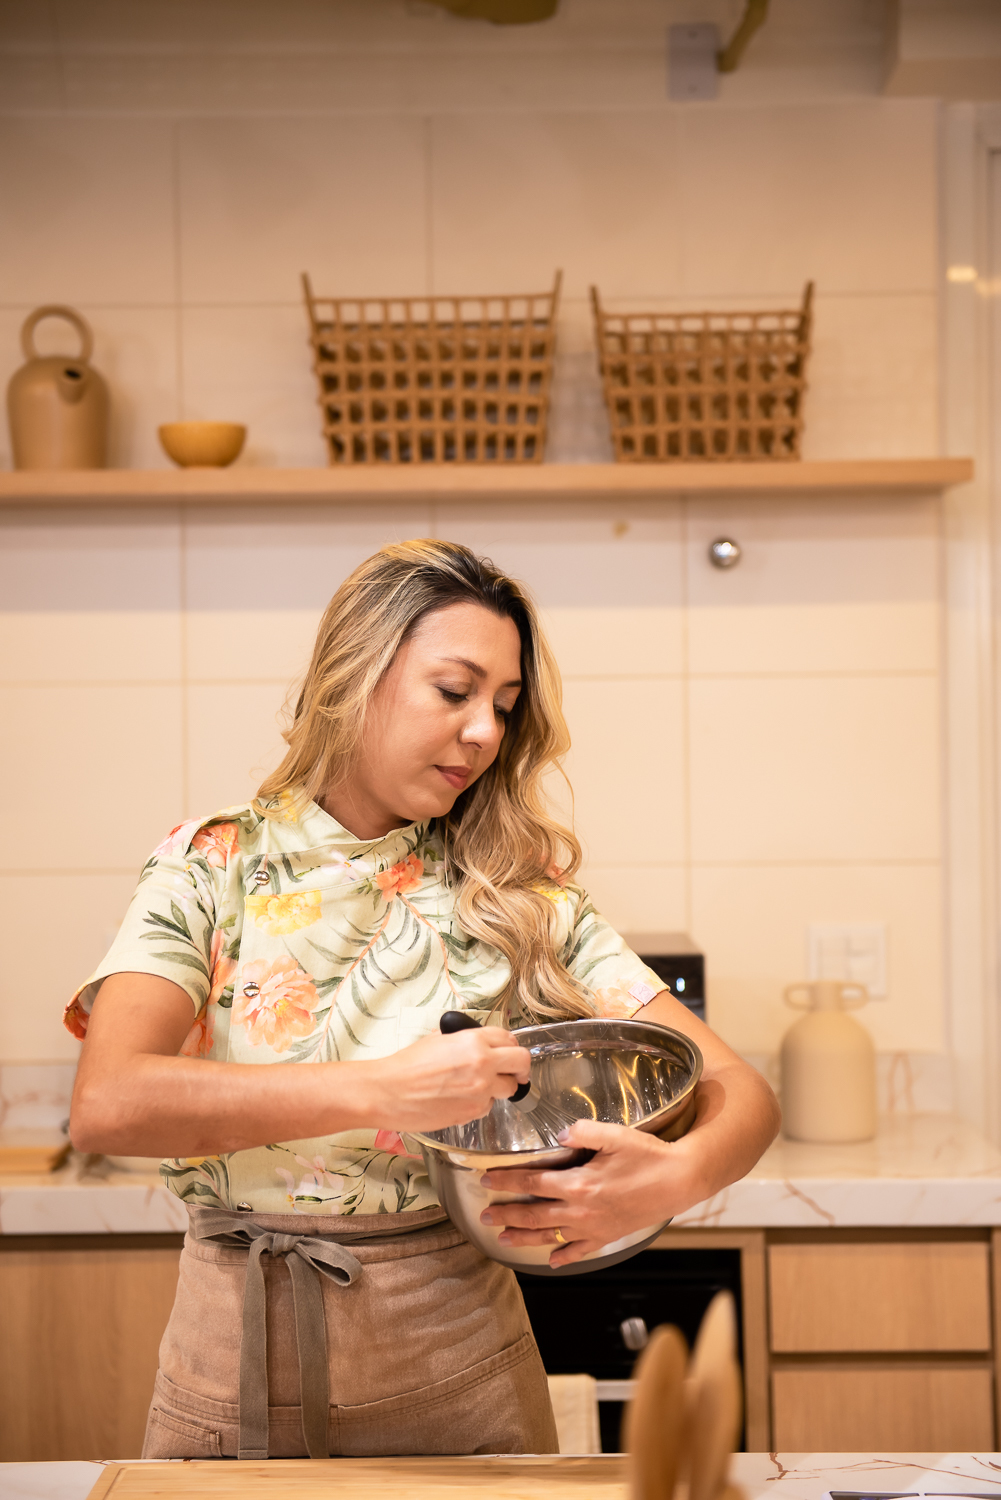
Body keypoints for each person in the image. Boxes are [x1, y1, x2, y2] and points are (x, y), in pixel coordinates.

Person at [67, 538, 779, 1461]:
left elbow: (743, 1095)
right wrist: (380, 1088)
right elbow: (109, 1103)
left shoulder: (517, 895)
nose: (485, 731)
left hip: (460, 1377)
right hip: (226, 1373)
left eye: (504, 707)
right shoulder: (211, 866)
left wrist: (679, 1176)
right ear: (354, 675)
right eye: (455, 692)